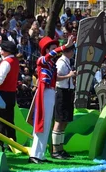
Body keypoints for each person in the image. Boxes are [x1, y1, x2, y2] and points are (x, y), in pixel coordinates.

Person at [28, 35, 75, 164]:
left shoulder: (51, 63)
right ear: (47, 50)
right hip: (44, 92)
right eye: (54, 48)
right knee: (41, 123)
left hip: (50, 92)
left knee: (47, 124)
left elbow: (55, 78)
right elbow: (50, 57)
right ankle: (34, 155)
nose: (57, 50)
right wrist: (64, 46)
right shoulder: (42, 60)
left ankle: (40, 155)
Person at [0, 37, 19, 147]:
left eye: (2, 49)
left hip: (1, 94)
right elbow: (4, 56)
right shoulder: (14, 60)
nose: (0, 51)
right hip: (11, 95)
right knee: (9, 120)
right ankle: (13, 144)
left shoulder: (6, 63)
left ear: (6, 51)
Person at [52, 45, 77, 159]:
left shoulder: (67, 61)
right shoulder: (61, 62)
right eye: (73, 50)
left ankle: (61, 149)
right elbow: (55, 77)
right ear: (70, 51)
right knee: (59, 121)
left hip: (68, 92)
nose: (73, 52)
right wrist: (69, 75)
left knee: (65, 121)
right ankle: (55, 150)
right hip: (61, 92)